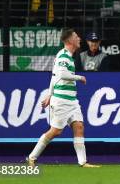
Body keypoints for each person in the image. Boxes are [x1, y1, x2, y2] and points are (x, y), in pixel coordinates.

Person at [26, 29, 99, 167]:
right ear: (70, 40)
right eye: (76, 37)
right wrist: (79, 77)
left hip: (71, 100)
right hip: (62, 101)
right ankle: (31, 157)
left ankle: (83, 162)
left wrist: (49, 94)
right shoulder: (64, 56)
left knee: (79, 126)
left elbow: (54, 77)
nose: (79, 39)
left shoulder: (66, 56)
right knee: (55, 131)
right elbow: (61, 75)